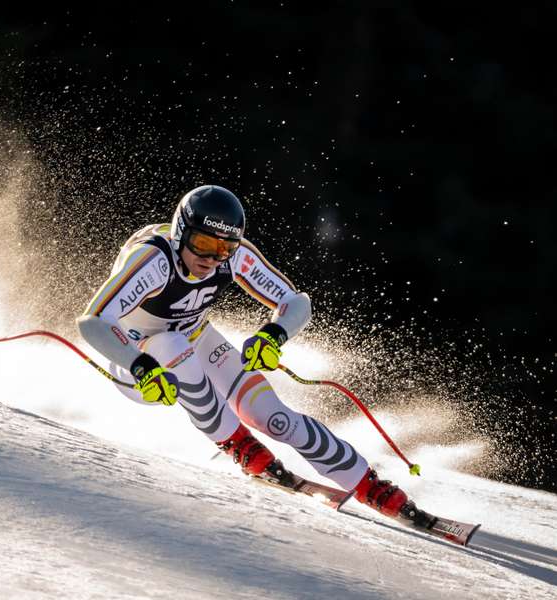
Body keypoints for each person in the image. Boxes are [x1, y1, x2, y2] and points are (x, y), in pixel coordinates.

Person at [76, 184, 415, 520]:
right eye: (204, 244)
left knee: (272, 416)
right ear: (182, 233)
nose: (211, 259)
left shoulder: (234, 257)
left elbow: (297, 303)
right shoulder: (154, 260)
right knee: (172, 343)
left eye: (223, 249)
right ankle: (240, 446)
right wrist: (140, 367)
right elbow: (92, 321)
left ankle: (369, 485)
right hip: (137, 364)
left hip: (193, 337)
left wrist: (273, 336)